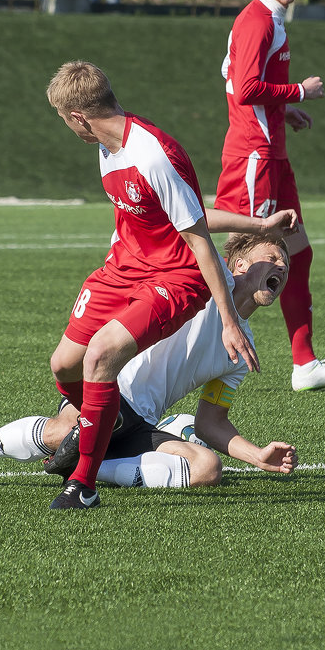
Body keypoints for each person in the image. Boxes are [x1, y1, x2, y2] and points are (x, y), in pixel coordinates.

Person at [40, 59, 264, 510]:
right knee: (64, 365)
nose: (68, 128)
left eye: (65, 121)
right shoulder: (106, 148)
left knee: (101, 356)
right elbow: (151, 216)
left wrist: (229, 321)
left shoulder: (153, 154)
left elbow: (199, 238)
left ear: (78, 117)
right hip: (125, 266)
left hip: (176, 277)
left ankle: (84, 484)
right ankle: (113, 417)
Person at [0, 233, 297, 491]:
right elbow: (191, 225)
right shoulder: (202, 278)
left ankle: (87, 463)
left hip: (140, 421)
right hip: (108, 385)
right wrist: (259, 226)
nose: (280, 265)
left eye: (285, 263)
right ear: (239, 263)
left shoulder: (243, 347)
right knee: (60, 431)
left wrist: (257, 456)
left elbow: (210, 422)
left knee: (207, 469)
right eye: (271, 256)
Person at [214, 0, 325, 393]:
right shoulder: (257, 20)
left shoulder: (271, 20)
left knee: (299, 252)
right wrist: (298, 92)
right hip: (253, 157)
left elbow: (231, 78)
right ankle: (194, 344)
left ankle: (305, 365)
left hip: (273, 153)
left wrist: (283, 112)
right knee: (241, 260)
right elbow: (243, 88)